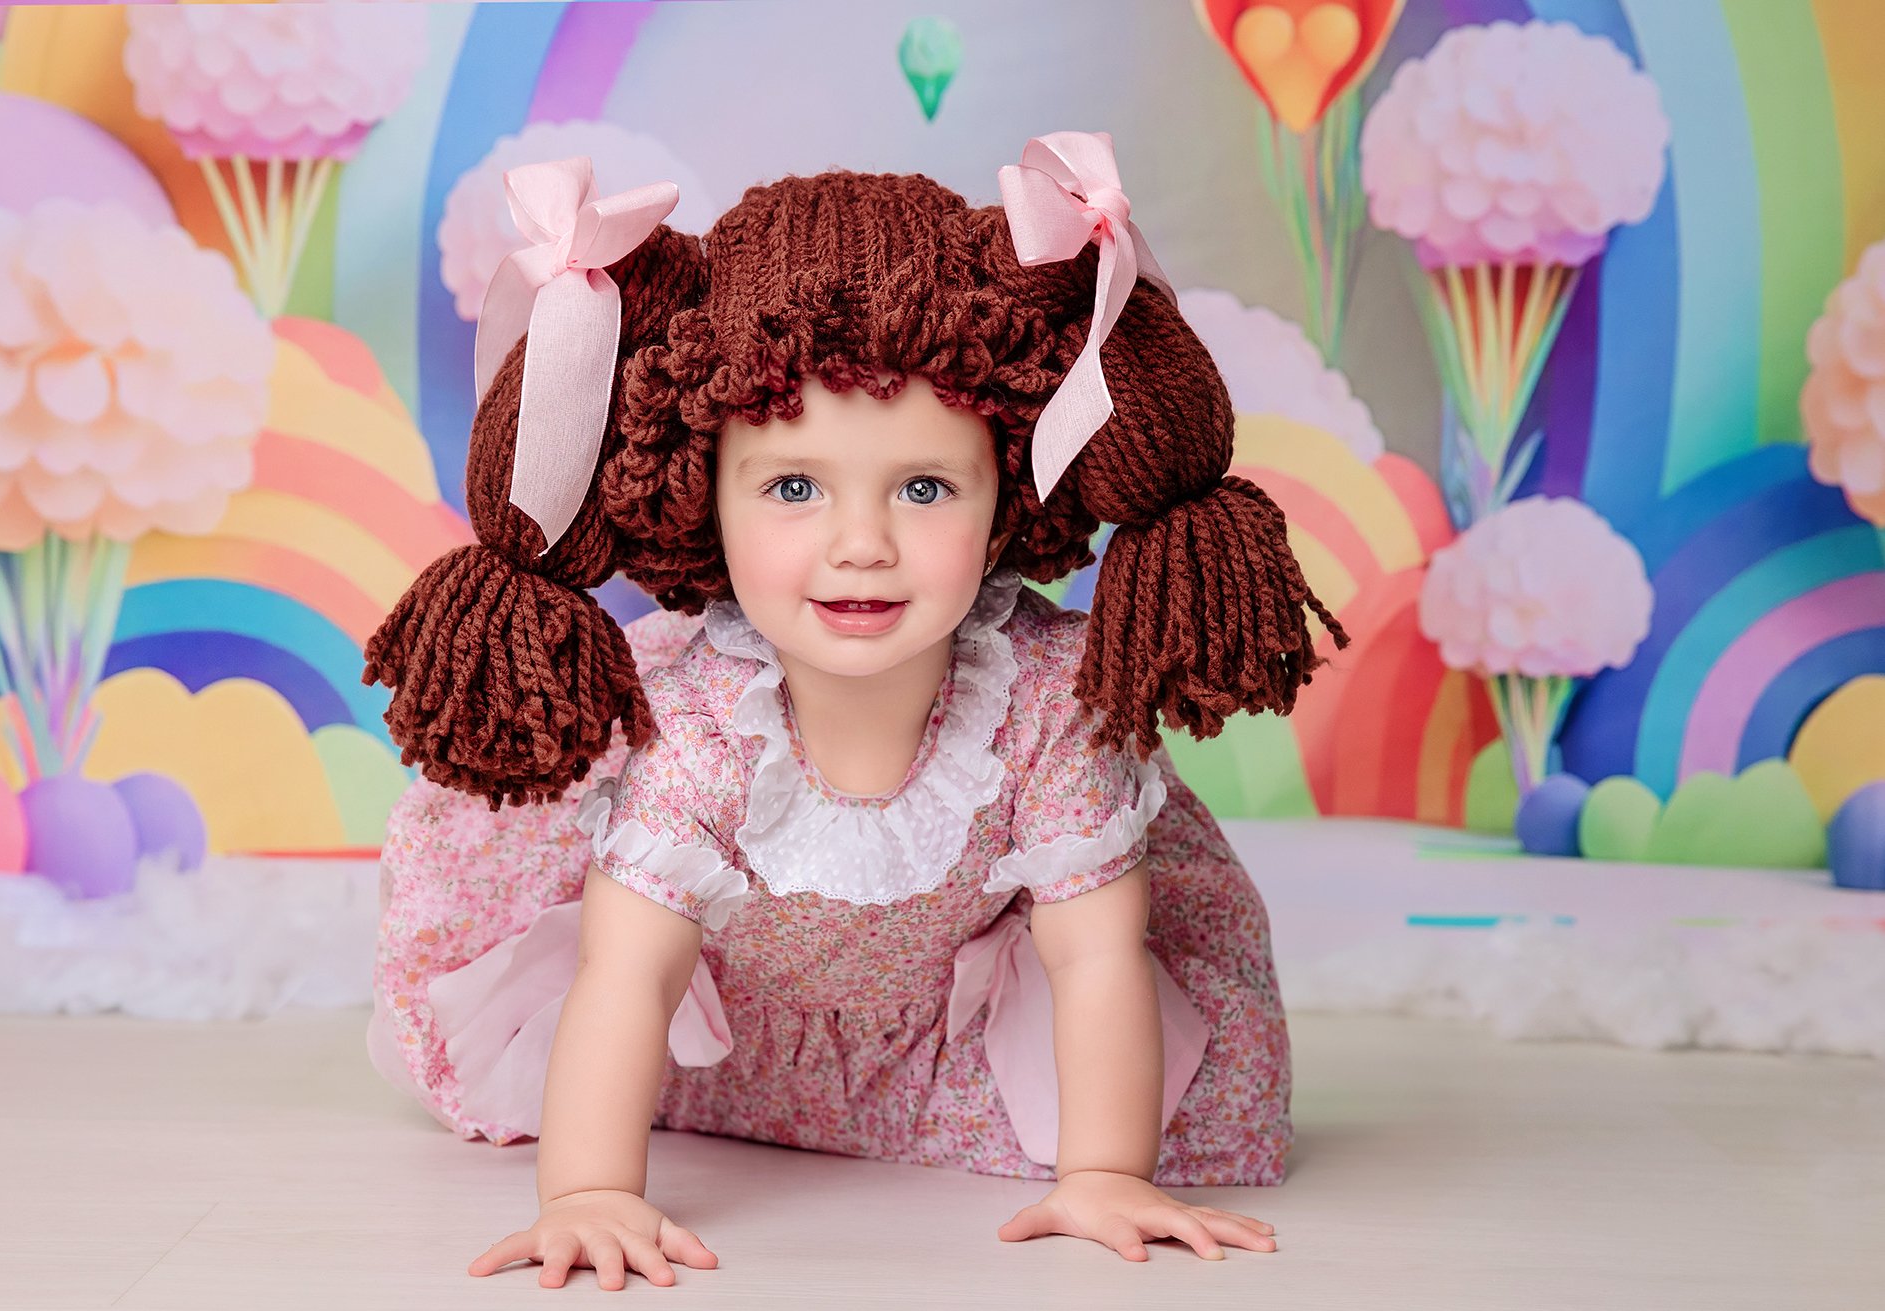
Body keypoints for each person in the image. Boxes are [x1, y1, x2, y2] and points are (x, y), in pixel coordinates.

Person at [363, 132, 1346, 1290]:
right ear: (703, 497)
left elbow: (1093, 961)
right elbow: (627, 977)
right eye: (792, 488)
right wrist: (589, 1193)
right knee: (621, 971)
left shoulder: (1044, 706)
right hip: (723, 1051)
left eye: (924, 487)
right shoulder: (699, 727)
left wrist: (1104, 1172)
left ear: (1006, 489)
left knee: (1143, 1063)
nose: (863, 545)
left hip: (949, 1040)